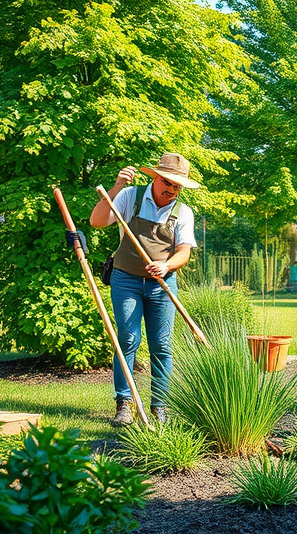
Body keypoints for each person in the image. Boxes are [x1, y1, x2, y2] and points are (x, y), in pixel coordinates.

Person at [89, 153, 200, 425]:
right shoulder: (129, 197)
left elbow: (184, 252)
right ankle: (124, 404)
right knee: (127, 339)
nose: (171, 190)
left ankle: (160, 406)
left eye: (177, 186)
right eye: (167, 182)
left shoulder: (183, 212)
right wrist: (114, 189)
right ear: (155, 177)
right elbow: (97, 221)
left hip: (162, 284)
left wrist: (167, 265)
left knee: (161, 345)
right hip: (125, 279)